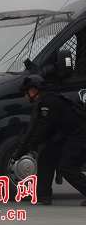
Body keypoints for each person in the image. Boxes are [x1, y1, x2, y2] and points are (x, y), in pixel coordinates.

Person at [13, 74, 86, 206]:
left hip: (79, 136)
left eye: (26, 92)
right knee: (46, 155)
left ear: (34, 90)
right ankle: (43, 196)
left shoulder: (49, 103)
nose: (25, 96)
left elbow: (42, 129)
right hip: (68, 135)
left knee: (67, 167)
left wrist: (27, 146)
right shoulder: (46, 100)